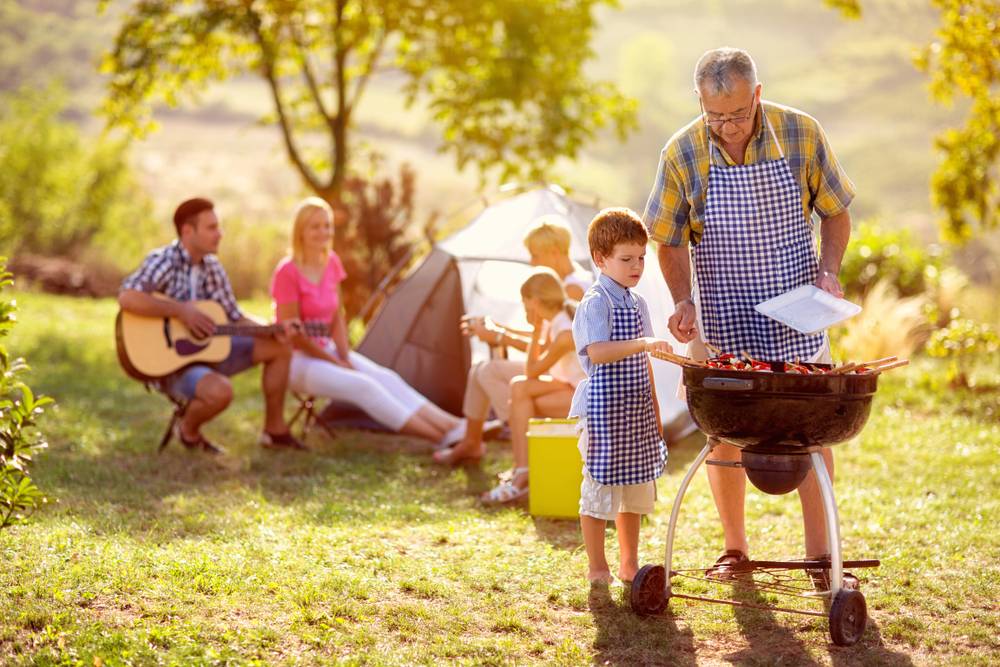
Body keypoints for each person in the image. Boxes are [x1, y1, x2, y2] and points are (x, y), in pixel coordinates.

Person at [643, 47, 856, 579]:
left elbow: (835, 213)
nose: (728, 126)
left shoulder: (801, 132)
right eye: (716, 116)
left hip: (797, 314)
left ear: (756, 95)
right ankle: (734, 551)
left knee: (811, 431)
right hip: (723, 318)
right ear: (700, 102)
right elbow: (667, 240)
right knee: (723, 434)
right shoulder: (683, 151)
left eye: (737, 114)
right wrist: (682, 300)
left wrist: (828, 269)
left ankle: (819, 553)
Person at [270, 197, 467, 444]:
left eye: (327, 225)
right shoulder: (287, 272)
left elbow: (336, 316)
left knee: (386, 378)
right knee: (365, 387)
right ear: (300, 231)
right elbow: (294, 334)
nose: (323, 232)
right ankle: (440, 437)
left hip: (327, 350)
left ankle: (457, 426)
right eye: (315, 226)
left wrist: (344, 355)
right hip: (295, 360)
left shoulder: (330, 261)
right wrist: (335, 362)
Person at [119, 197, 305, 454]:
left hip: (210, 353)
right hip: (171, 364)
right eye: (212, 228)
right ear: (187, 231)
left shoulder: (213, 267)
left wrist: (272, 329)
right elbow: (128, 297)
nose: (220, 234)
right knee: (221, 392)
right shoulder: (164, 261)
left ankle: (274, 430)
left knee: (279, 347)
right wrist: (181, 311)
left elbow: (234, 316)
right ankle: (188, 430)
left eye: (219, 227)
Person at [436, 215, 593, 463]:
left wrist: (501, 336)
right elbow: (548, 339)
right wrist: (499, 329)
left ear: (553, 253)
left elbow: (552, 345)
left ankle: (520, 432)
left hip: (568, 379)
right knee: (479, 371)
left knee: (489, 373)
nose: (531, 262)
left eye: (535, 255)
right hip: (558, 371)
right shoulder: (566, 283)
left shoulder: (571, 291)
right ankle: (472, 443)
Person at [570, 207, 670, 585]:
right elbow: (596, 351)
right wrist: (643, 342)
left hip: (635, 410)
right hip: (604, 412)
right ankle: (598, 567)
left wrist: (655, 413)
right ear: (601, 259)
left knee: (634, 489)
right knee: (599, 489)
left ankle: (630, 563)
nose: (637, 266)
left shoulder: (637, 302)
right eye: (626, 259)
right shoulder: (597, 301)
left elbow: (643, 365)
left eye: (642, 258)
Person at [479, 268, 586, 504]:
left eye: (525, 302)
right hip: (568, 387)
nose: (524, 307)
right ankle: (523, 471)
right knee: (519, 389)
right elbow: (531, 375)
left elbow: (532, 370)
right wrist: (535, 331)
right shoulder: (557, 320)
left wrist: (536, 330)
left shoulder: (564, 333)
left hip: (584, 398)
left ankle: (522, 475)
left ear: (535, 302)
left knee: (524, 402)